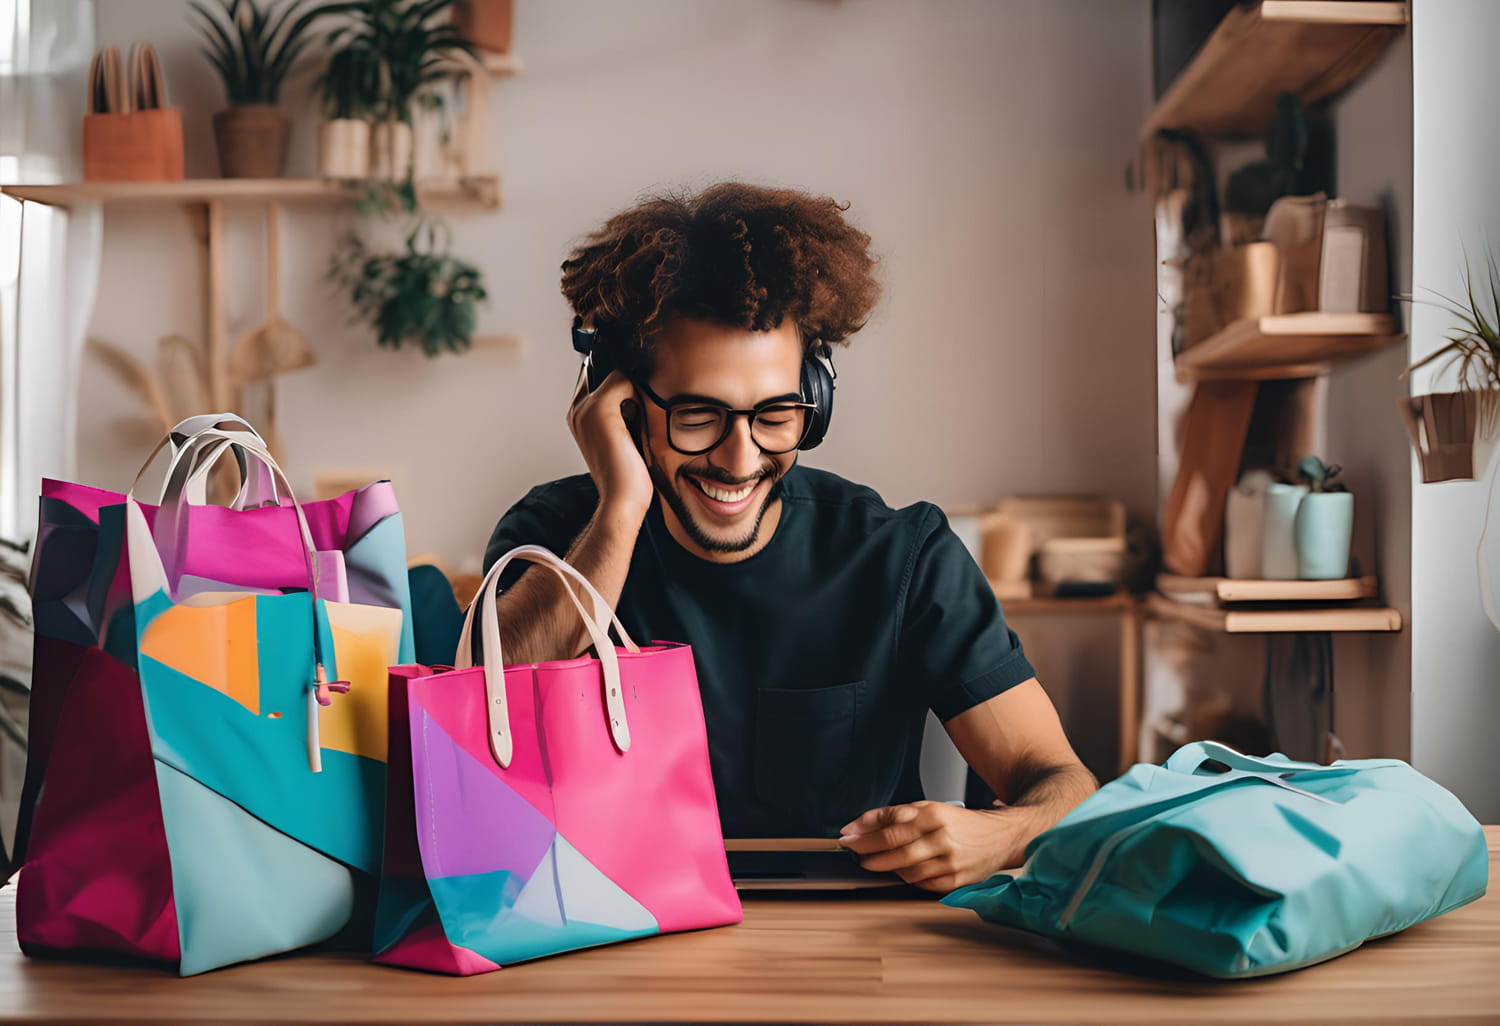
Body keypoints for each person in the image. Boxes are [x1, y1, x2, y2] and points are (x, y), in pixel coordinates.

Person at [484, 182, 1096, 892]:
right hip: (611, 936)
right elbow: (476, 726)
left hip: (855, 960)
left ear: (817, 400)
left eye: (776, 414)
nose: (739, 459)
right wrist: (621, 508)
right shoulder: (552, 539)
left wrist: (1004, 833)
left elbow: (1065, 782)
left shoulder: (903, 555)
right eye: (696, 415)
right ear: (620, 406)